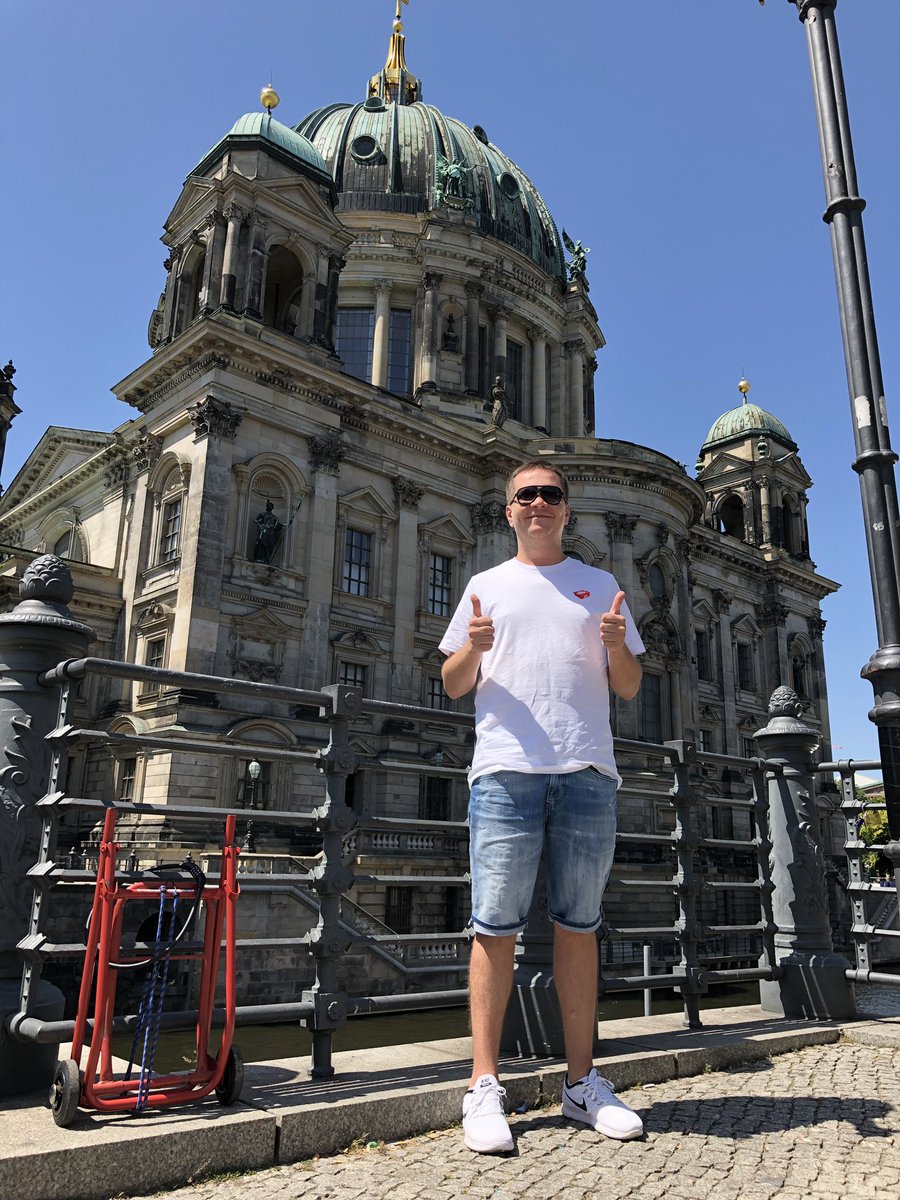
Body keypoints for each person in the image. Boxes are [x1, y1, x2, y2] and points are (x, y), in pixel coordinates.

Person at [439, 460, 645, 1154]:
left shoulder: (602, 586)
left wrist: (616, 646)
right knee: (493, 926)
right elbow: (453, 684)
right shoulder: (486, 584)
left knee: (578, 928)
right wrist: (472, 648)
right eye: (525, 494)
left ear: (565, 509)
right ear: (509, 511)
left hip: (586, 771)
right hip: (505, 772)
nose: (537, 503)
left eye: (549, 494)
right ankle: (483, 1085)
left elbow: (628, 686)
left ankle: (582, 1084)